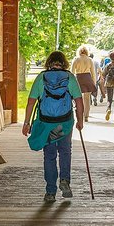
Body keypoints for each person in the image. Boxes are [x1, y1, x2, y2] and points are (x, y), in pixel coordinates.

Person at [22, 51, 84, 203]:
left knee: (49, 156)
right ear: (64, 63)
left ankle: (50, 191)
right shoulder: (69, 77)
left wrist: (27, 122)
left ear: (48, 62)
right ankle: (65, 180)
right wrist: (80, 121)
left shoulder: (41, 78)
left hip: (46, 124)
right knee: (65, 152)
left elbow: (31, 102)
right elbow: (79, 101)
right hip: (65, 123)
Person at [71, 46, 97, 122]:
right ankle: (86, 116)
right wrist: (94, 83)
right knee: (87, 99)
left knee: (79, 98)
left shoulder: (76, 59)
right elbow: (93, 73)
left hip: (79, 79)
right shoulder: (90, 60)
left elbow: (72, 72)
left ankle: (80, 115)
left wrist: (71, 83)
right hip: (88, 79)